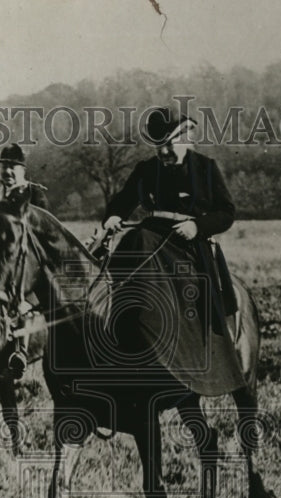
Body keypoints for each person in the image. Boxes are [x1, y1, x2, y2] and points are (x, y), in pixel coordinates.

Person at [100, 106, 244, 396]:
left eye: (169, 145)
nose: (163, 152)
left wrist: (197, 227)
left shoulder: (206, 168)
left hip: (191, 245)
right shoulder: (146, 170)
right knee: (134, 242)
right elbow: (124, 200)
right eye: (158, 147)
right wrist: (114, 216)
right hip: (153, 237)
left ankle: (213, 346)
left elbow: (226, 212)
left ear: (185, 138)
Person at [0, 142, 49, 378]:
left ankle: (20, 354)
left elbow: (44, 234)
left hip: (27, 264)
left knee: (22, 304)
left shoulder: (35, 194)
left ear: (23, 170)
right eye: (4, 167)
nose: (7, 172)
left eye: (13, 167)